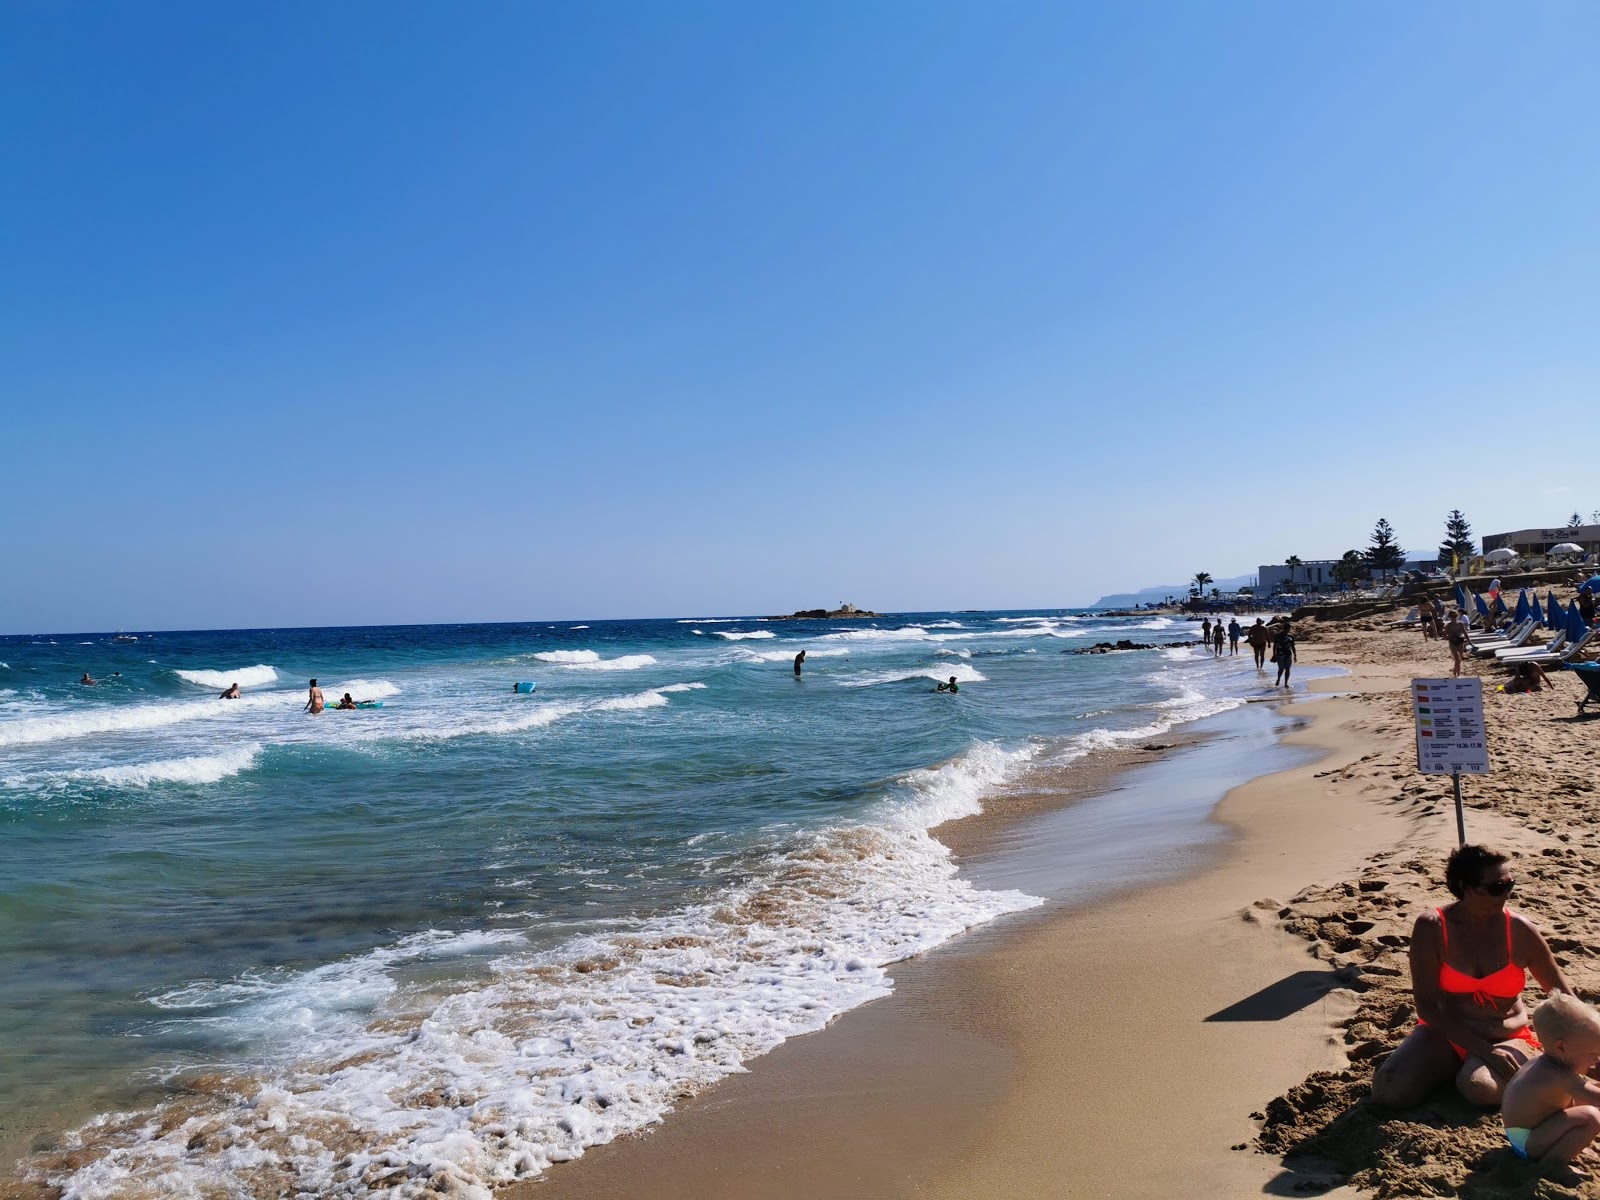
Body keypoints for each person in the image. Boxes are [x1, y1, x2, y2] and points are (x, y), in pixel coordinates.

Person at [1371, 844, 1571, 1109]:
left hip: (1506, 1035)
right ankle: (1452, 1067)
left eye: (1510, 884)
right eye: (1496, 888)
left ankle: (1506, 1068)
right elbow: (1427, 1007)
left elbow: (1563, 998)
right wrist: (1482, 1051)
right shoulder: (1432, 928)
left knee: (1479, 1088)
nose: (1507, 894)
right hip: (1446, 1033)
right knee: (1388, 1091)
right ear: (1465, 887)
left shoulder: (1520, 930)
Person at [1500, 994, 1600, 1175]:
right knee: (1591, 1117)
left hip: (1534, 1131)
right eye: (1592, 1053)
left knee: (1588, 1095)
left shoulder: (1548, 1062)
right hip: (1528, 1141)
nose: (1597, 1059)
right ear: (1561, 1047)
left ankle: (1570, 1144)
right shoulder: (1559, 1075)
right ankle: (1550, 1165)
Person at [1444, 609, 1469, 677]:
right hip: (1452, 642)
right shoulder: (1448, 625)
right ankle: (1458, 674)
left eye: (1455, 616)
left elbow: (1465, 633)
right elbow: (1444, 635)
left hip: (1460, 641)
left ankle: (1455, 671)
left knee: (1460, 658)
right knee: (1457, 658)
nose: (1453, 617)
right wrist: (1450, 637)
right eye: (1452, 616)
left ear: (1457, 616)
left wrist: (1469, 641)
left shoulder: (1460, 623)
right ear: (1450, 617)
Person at [1272, 622, 1296, 687]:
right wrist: (1274, 655)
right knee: (1281, 669)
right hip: (1280, 654)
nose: (1287, 630)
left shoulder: (1291, 636)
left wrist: (1295, 655)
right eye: (1286, 629)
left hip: (1288, 654)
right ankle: (1278, 679)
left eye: (1288, 629)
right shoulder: (1277, 636)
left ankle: (1286, 683)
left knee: (1287, 669)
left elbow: (1293, 646)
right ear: (1283, 628)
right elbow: (1275, 646)